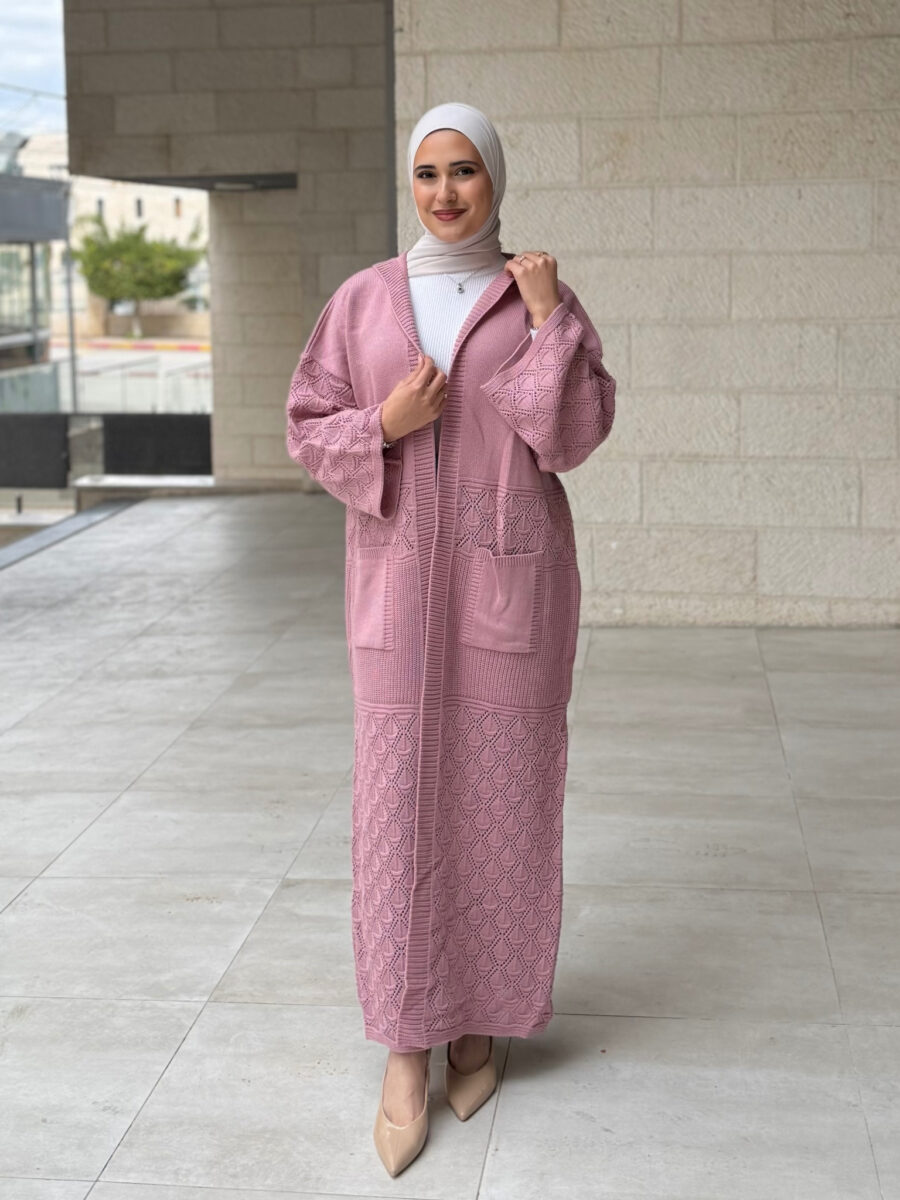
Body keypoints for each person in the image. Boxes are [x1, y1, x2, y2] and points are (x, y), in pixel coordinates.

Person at [285, 101, 616, 1177]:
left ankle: (480, 1020)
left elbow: (571, 437)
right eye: (427, 172)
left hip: (509, 594)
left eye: (464, 171)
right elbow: (306, 424)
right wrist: (383, 426)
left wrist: (550, 322)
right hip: (397, 596)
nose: (443, 192)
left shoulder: (536, 297)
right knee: (397, 817)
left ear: (495, 180)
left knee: (503, 810)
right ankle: (405, 1043)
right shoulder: (363, 300)